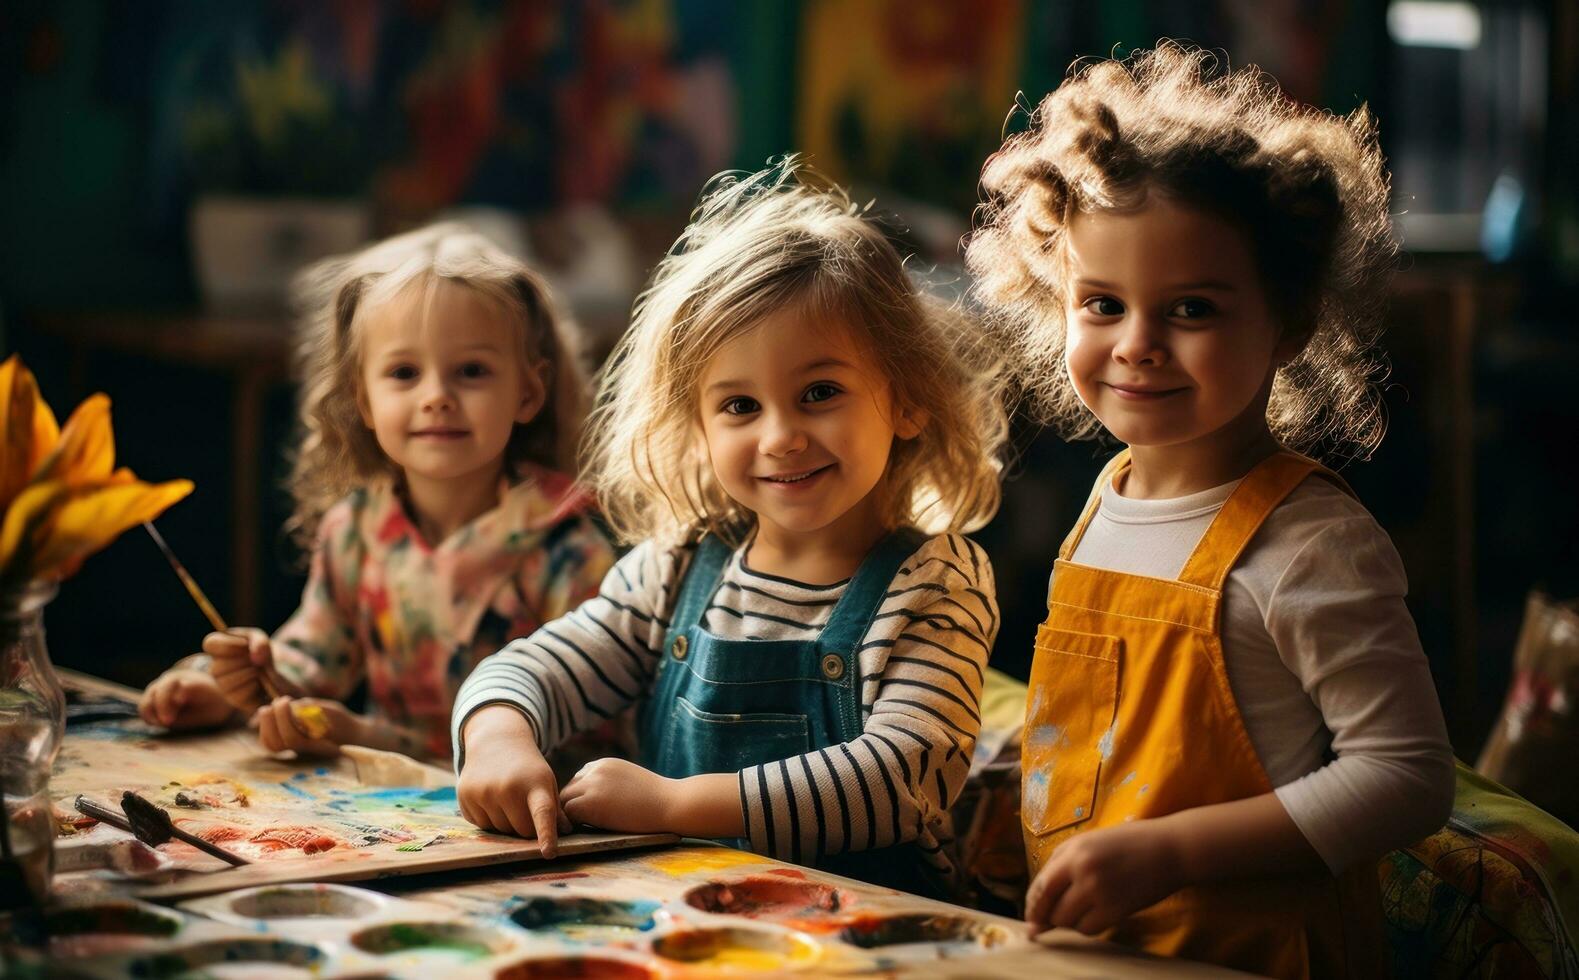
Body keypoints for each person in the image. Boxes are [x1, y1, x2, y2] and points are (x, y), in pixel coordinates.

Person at [966, 43, 1454, 977]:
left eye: (1189, 309)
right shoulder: (1105, 497)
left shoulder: (1313, 543)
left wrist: (1168, 851)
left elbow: (1404, 779)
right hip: (1098, 951)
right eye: (1101, 303)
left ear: (1290, 322)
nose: (1136, 345)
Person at [453, 162, 1009, 896]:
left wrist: (675, 805)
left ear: (906, 401)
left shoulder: (934, 585)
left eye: (818, 393)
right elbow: (532, 668)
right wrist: (496, 736)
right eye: (740, 406)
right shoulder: (677, 570)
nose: (779, 436)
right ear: (699, 428)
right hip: (683, 926)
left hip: (867, 941)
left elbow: (900, 779)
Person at [138, 224, 616, 761]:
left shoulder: (566, 552)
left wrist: (367, 738)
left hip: (528, 823)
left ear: (527, 392)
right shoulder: (357, 531)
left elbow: (590, 745)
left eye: (472, 371)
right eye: (404, 372)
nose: (436, 396)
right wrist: (234, 686)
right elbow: (314, 662)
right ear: (362, 399)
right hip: (388, 821)